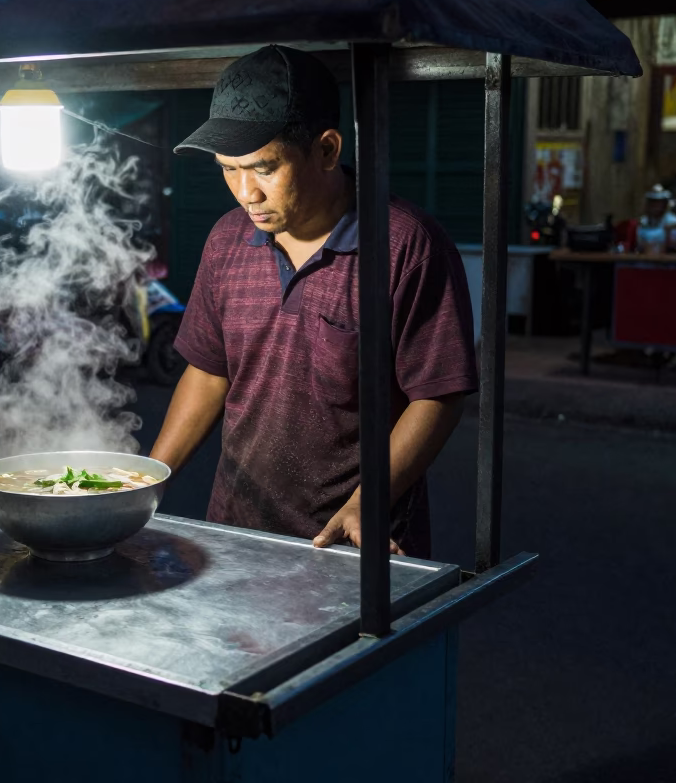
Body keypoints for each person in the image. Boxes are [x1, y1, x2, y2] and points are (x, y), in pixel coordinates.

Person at [149, 46, 477, 559]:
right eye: (228, 170)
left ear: (326, 150)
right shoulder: (226, 240)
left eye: (262, 168)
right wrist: (149, 482)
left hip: (351, 540)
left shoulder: (404, 244)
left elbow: (438, 396)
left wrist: (368, 501)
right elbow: (210, 371)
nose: (245, 193)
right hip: (236, 533)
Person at [619, 185, 676, 255]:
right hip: (644, 262)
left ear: (664, 204)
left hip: (670, 262)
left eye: (659, 202)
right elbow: (630, 247)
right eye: (653, 202)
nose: (656, 206)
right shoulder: (640, 223)